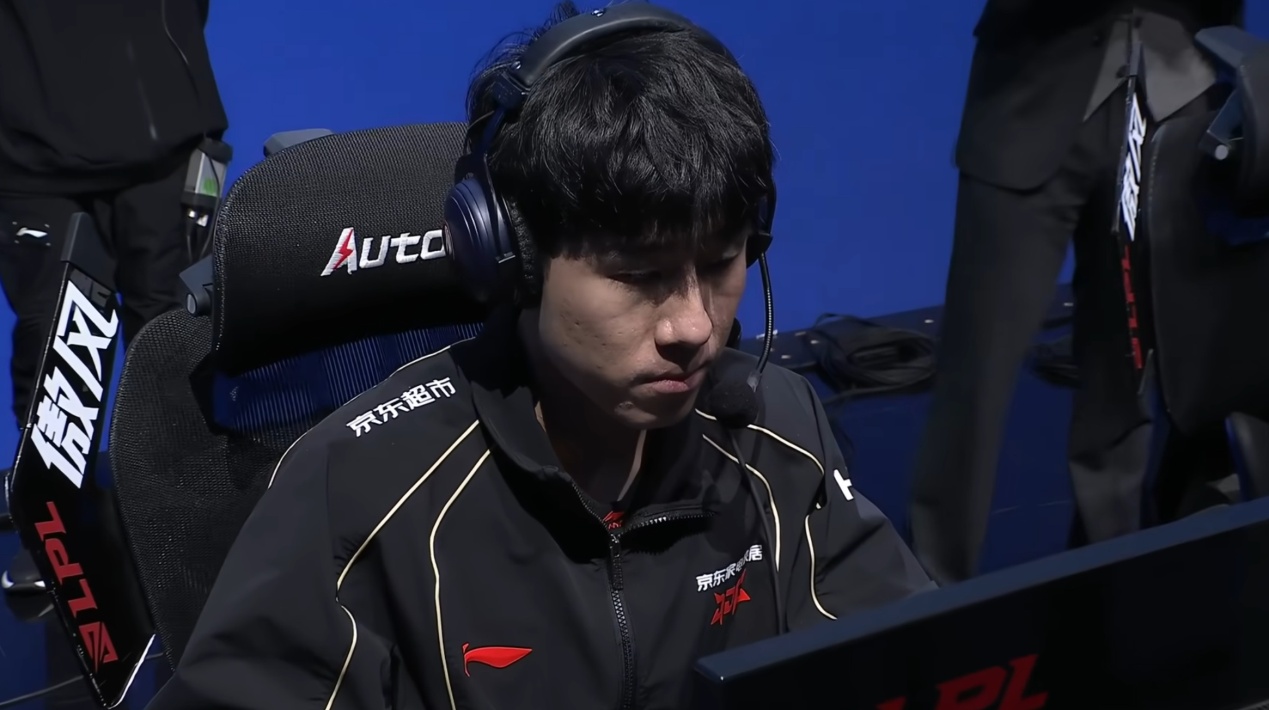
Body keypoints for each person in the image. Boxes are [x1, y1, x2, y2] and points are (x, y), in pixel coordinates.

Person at [146, 3, 932, 708]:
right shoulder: (359, 489)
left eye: (722, 261)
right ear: (512, 258)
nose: (693, 326)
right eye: (639, 276)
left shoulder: (774, 432)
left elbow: (913, 664)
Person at [909, 0, 1244, 585]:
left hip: (1175, 98)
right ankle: (929, 584)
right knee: (978, 367)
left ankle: (1108, 572)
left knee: (1128, 369)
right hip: (1030, 96)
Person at [0, 0, 228, 593]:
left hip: (166, 142)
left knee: (175, 333)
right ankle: (58, 537)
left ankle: (184, 514)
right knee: (52, 344)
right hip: (26, 160)